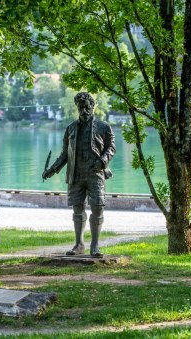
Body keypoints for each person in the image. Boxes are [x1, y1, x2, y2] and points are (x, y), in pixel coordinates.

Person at [42, 92, 116, 257]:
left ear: (92, 106)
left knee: (97, 207)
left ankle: (95, 246)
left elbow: (111, 147)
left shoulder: (104, 127)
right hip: (75, 174)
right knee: (77, 209)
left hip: (95, 173)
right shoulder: (70, 129)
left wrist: (102, 160)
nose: (84, 110)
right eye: (80, 107)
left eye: (86, 106)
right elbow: (64, 155)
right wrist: (52, 170)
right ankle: (79, 244)